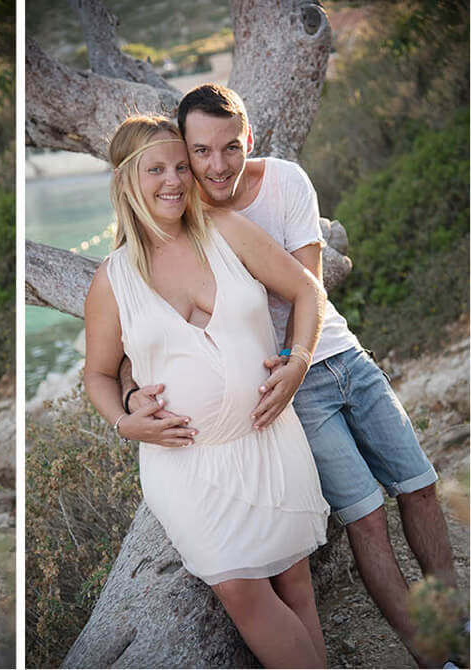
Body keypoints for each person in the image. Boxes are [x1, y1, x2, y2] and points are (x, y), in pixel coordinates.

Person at [122, 84, 456, 666]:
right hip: (281, 391)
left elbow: (309, 287)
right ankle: (433, 656)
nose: (215, 165)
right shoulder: (185, 212)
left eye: (229, 147)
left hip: (337, 354)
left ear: (247, 137)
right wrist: (130, 398)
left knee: (420, 486)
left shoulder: (284, 182)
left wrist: (302, 357)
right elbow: (143, 330)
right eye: (199, 153)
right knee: (365, 518)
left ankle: (456, 623)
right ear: (185, 153)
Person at [84, 114, 330, 668]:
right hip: (187, 466)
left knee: (296, 585)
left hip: (269, 440)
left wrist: (298, 361)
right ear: (126, 180)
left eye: (180, 165)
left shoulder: (225, 229)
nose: (173, 179)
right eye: (155, 169)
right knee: (241, 589)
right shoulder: (112, 278)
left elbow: (306, 289)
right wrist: (126, 419)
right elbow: (98, 373)